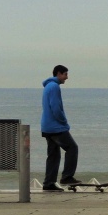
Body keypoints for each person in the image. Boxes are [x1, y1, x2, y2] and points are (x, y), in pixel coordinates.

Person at [40, 64, 82, 192]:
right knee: (72, 148)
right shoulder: (54, 87)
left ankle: (49, 183)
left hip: (47, 126)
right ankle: (67, 177)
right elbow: (56, 108)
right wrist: (64, 121)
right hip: (56, 127)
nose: (67, 77)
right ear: (58, 73)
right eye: (65, 74)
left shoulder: (48, 86)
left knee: (53, 155)